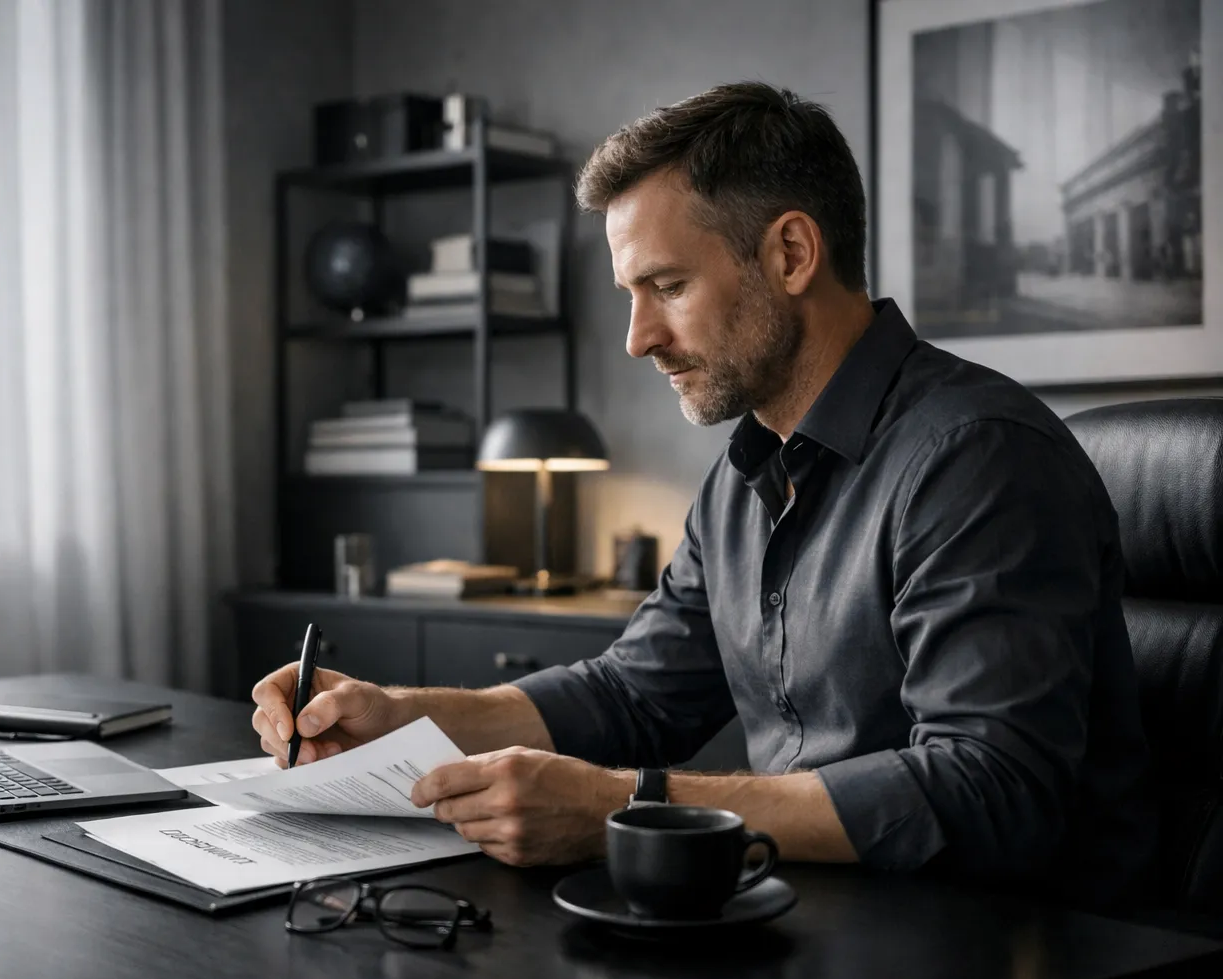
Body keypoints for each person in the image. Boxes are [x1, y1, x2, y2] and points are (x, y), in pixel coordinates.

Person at [251, 83, 1155, 909]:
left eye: (668, 286)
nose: (638, 338)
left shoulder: (976, 456)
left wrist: (626, 802)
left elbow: (991, 793)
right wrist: (403, 714)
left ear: (793, 252)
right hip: (820, 925)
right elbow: (632, 696)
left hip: (1011, 952)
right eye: (629, 294)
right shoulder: (744, 475)